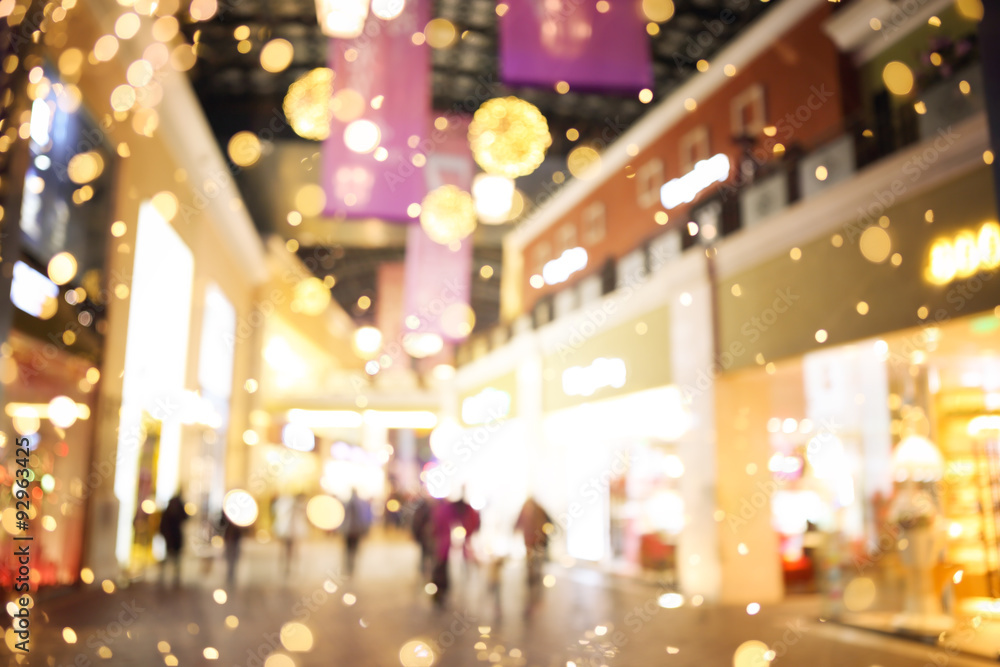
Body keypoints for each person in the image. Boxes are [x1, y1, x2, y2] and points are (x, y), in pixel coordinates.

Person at [515, 496, 552, 615]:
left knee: (538, 560)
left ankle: (536, 575)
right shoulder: (525, 511)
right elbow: (518, 523)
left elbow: (549, 521)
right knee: (531, 561)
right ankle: (531, 576)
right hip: (530, 541)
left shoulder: (539, 510)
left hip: (538, 540)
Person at [272, 493, 309, 579]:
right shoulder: (289, 505)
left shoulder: (299, 507)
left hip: (293, 531)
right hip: (288, 530)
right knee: (286, 548)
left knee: (292, 549)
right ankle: (286, 566)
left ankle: (290, 565)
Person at [341, 489, 372, 577]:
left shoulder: (348, 503)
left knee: (349, 549)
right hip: (355, 529)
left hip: (350, 530)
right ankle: (350, 565)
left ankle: (349, 565)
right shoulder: (359, 504)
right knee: (352, 548)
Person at [158, 494, 187, 587]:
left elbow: (162, 525)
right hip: (173, 538)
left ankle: (170, 576)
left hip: (172, 538)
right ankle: (170, 576)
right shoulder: (170, 512)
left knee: (173, 558)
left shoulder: (169, 512)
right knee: (172, 558)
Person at [218, 511, 244, 588]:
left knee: (233, 556)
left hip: (234, 537)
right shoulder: (227, 512)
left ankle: (231, 573)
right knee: (230, 556)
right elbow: (221, 523)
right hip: (230, 537)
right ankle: (230, 573)